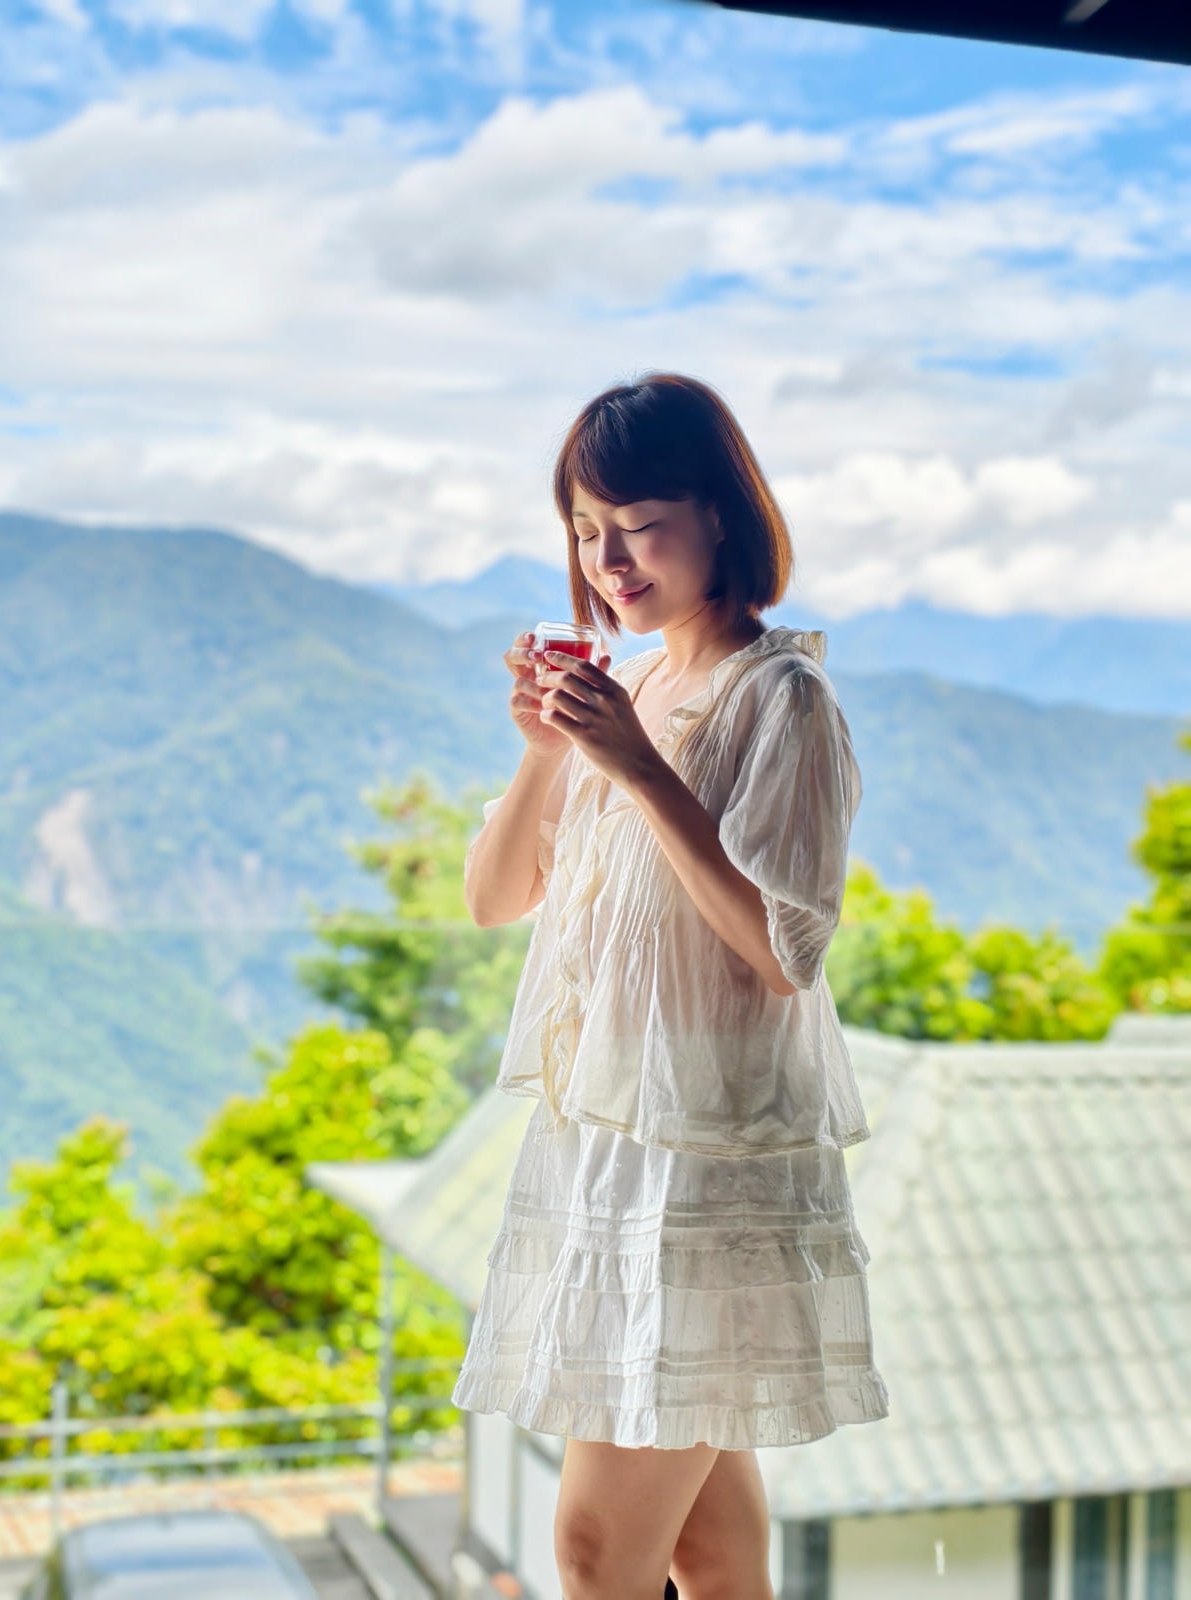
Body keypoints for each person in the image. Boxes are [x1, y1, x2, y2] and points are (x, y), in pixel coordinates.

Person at [453, 372, 890, 1600]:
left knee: (596, 1552)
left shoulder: (780, 696)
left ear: (721, 515)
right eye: (587, 531)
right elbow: (493, 896)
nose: (609, 561)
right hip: (616, 1150)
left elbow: (782, 951)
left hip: (711, 1160)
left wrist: (642, 770)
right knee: (709, 1551)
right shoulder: (632, 689)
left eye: (640, 524)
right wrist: (548, 752)